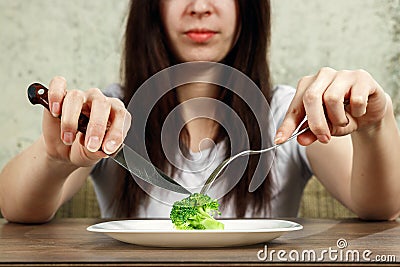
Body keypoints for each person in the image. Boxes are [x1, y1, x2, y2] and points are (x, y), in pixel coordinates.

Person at [0, 0, 399, 223]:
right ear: (151, 8)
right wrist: (56, 159)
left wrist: (376, 125)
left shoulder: (286, 112)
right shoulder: (108, 115)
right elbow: (15, 207)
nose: (200, 7)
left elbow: (380, 206)